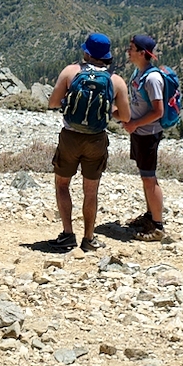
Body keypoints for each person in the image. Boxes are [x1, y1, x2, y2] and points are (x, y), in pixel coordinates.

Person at [48, 32, 130, 252]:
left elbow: (54, 103)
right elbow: (126, 116)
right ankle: (89, 238)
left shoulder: (71, 72)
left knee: (62, 184)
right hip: (96, 139)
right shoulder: (116, 81)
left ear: (86, 52)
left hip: (70, 136)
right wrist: (106, 110)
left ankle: (67, 234)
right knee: (90, 190)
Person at [122, 33, 167, 241]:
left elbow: (158, 111)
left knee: (149, 179)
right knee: (145, 176)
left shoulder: (152, 78)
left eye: (131, 48)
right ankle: (150, 216)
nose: (128, 52)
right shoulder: (139, 73)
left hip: (148, 134)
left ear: (142, 53)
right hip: (140, 132)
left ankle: (157, 226)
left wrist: (134, 124)